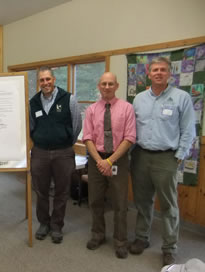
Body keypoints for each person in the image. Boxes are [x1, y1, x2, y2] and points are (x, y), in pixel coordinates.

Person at [129, 57, 196, 266]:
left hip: (166, 157)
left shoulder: (181, 97)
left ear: (170, 74)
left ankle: (169, 247)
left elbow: (189, 130)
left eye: (163, 70)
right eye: (155, 70)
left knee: (169, 206)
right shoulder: (139, 98)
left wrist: (179, 156)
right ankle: (142, 238)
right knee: (143, 202)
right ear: (148, 74)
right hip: (140, 156)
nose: (158, 73)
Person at [82, 72, 136, 258]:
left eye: (110, 83)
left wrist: (110, 161)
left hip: (118, 160)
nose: (107, 87)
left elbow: (130, 138)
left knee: (120, 203)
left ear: (116, 86)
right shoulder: (91, 110)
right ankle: (98, 235)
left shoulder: (127, 108)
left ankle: (120, 241)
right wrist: (100, 161)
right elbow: (87, 138)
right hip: (97, 159)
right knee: (95, 201)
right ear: (99, 86)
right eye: (103, 83)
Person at [29, 66, 82, 244]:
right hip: (40, 152)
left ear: (54, 80)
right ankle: (44, 223)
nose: (45, 83)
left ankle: (57, 225)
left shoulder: (69, 99)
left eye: (48, 79)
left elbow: (76, 126)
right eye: (42, 80)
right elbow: (31, 126)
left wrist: (65, 142)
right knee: (40, 190)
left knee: (62, 190)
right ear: (39, 83)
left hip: (63, 153)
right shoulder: (33, 102)